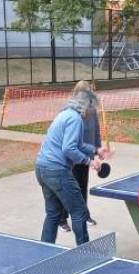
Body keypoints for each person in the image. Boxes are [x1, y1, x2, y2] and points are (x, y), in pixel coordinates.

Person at [35, 90, 109, 245]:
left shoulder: (65, 114)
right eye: (91, 108)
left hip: (42, 168)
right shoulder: (75, 119)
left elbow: (78, 144)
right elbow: (68, 149)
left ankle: (43, 250)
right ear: (85, 106)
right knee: (79, 212)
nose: (92, 112)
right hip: (57, 171)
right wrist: (90, 162)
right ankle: (85, 253)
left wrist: (96, 150)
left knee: (53, 214)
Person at [59, 81, 102, 232]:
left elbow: (96, 131)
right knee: (69, 188)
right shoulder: (69, 111)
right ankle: (62, 218)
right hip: (71, 156)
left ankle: (84, 215)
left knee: (82, 186)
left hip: (85, 155)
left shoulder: (92, 110)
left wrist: (97, 150)